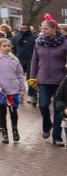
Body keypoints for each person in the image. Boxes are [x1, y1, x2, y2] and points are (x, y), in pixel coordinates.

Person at [30, 14, 67, 145]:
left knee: (59, 110)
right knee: (43, 105)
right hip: (43, 80)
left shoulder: (64, 43)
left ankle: (57, 137)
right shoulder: (38, 42)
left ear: (54, 29)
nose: (43, 31)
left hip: (60, 81)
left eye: (46, 29)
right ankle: (47, 126)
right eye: (42, 28)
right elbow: (35, 60)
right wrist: (32, 78)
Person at [0, 39, 26, 144]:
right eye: (4, 46)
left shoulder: (14, 59)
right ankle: (4, 133)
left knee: (13, 111)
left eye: (8, 46)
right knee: (2, 111)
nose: (7, 48)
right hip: (1, 91)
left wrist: (22, 87)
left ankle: (15, 130)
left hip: (13, 90)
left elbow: (20, 74)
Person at [11, 24, 37, 105]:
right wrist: (14, 57)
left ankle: (32, 95)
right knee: (18, 79)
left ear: (29, 28)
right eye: (22, 28)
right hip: (19, 61)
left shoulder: (35, 38)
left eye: (26, 28)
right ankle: (20, 95)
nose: (24, 30)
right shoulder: (15, 37)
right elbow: (12, 48)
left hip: (31, 61)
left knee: (31, 79)